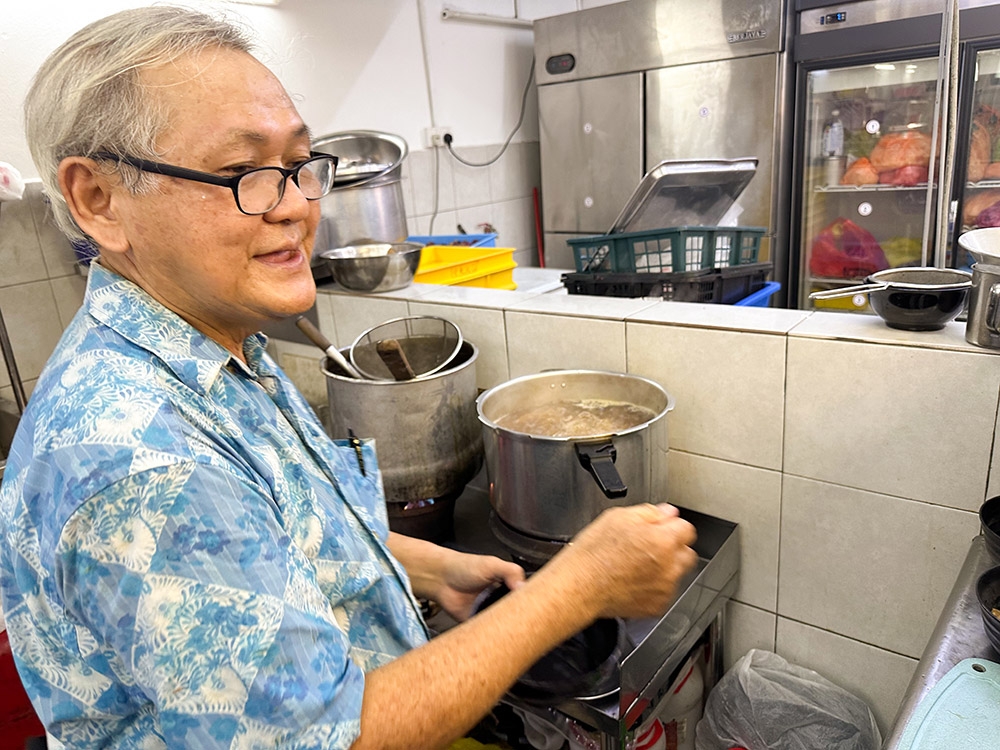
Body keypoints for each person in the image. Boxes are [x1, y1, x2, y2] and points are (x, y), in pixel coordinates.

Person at [0, 6, 698, 749]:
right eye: (244, 174)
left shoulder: (210, 351)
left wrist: (429, 568)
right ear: (97, 200)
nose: (300, 207)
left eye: (301, 165)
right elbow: (327, 739)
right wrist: (576, 587)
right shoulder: (135, 454)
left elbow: (260, 536)